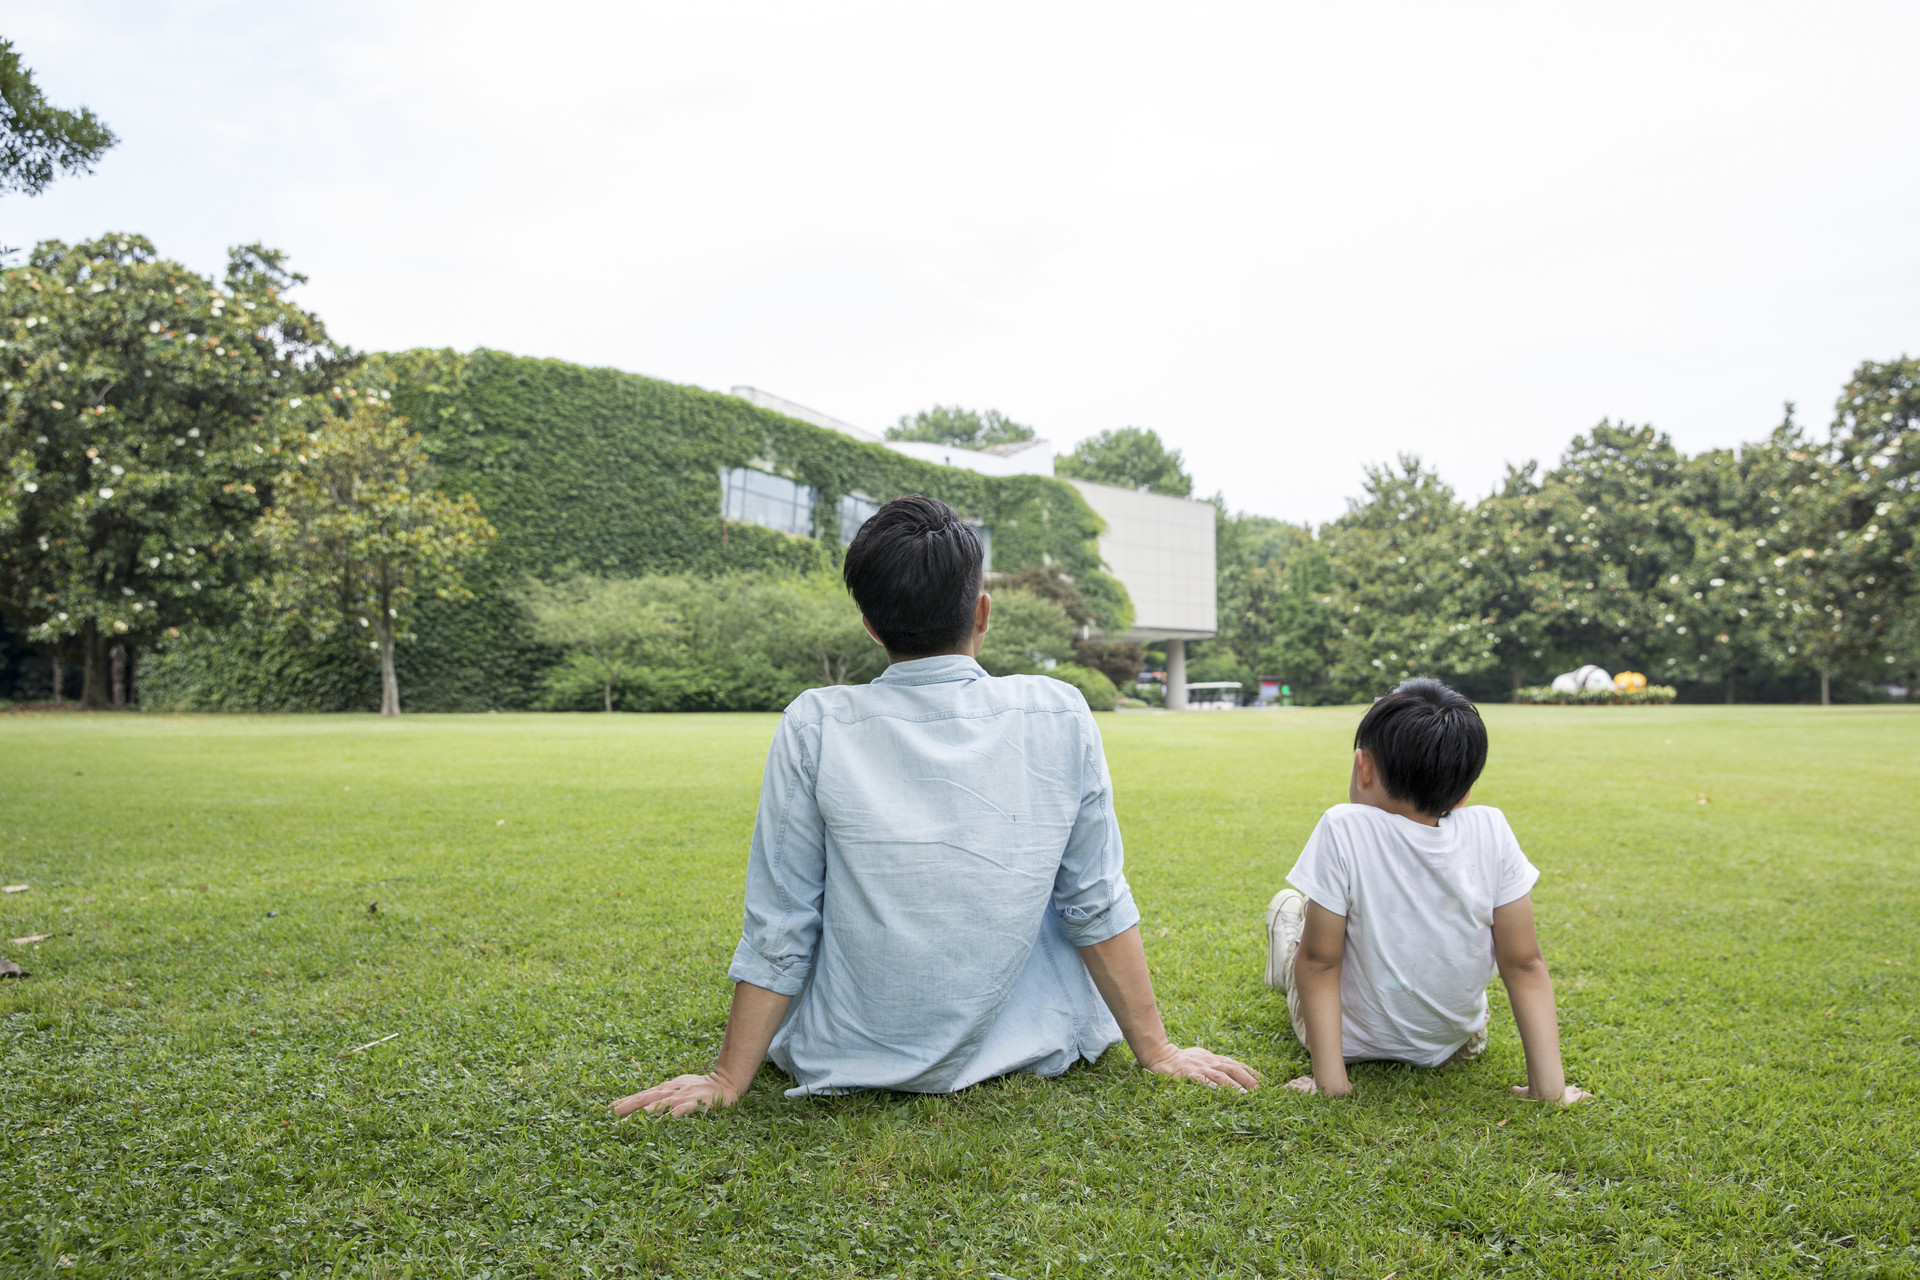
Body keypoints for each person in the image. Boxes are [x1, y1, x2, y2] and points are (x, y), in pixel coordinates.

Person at [615, 495, 1257, 1118]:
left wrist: (729, 1078)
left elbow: (783, 920)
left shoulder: (815, 723)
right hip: (1036, 1044)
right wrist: (1158, 1050)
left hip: (849, 1052)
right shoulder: (1059, 710)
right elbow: (1092, 898)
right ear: (982, 614)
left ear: (870, 626)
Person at [1263, 678, 1589, 1105]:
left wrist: (1330, 1086)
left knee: (1296, 911)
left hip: (1349, 1042)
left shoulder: (1343, 827)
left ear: (1363, 767)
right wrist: (1550, 1089)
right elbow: (1524, 962)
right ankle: (1544, 1084)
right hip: (1454, 1048)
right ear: (1466, 788)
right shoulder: (1491, 828)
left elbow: (1320, 964)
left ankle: (1283, 931)